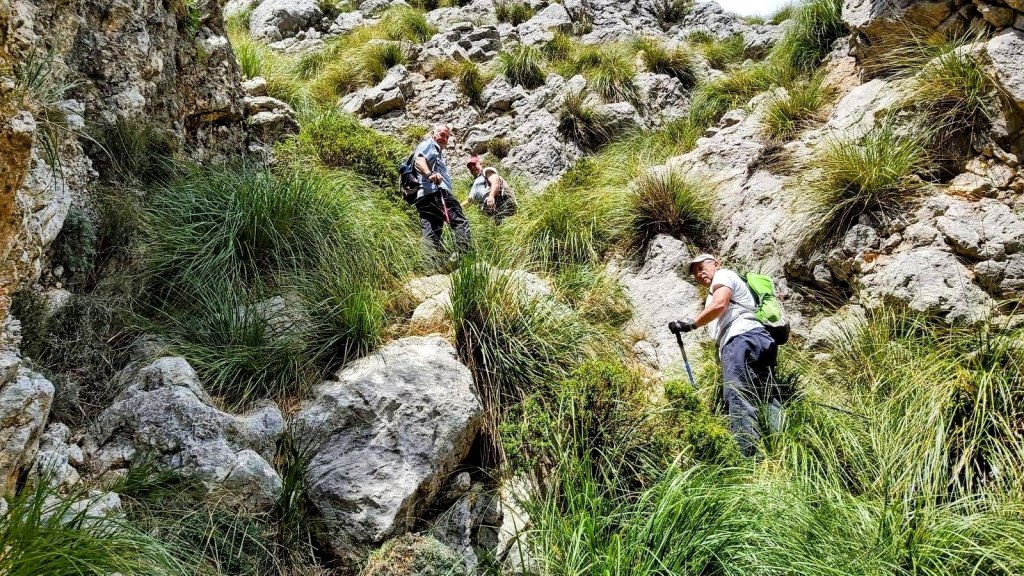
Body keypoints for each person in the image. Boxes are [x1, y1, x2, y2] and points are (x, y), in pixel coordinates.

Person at [669, 254, 780, 458]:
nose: (699, 273)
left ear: (716, 264)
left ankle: (748, 459)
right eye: (694, 272)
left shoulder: (723, 276)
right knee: (766, 395)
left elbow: (720, 305)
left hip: (740, 339)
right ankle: (781, 447)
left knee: (737, 395)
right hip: (757, 338)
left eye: (702, 267)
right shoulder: (726, 283)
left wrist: (690, 324)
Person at [413, 125, 471, 254]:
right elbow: (419, 160)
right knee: (460, 222)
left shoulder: (436, 151)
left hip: (424, 196)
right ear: (433, 134)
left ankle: (428, 267)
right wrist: (429, 174)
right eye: (441, 134)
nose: (444, 138)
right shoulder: (429, 145)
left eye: (447, 136)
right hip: (437, 192)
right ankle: (465, 259)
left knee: (431, 231)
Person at [466, 156, 516, 223]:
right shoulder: (475, 184)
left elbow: (495, 181)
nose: (472, 167)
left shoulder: (486, 171)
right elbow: (469, 201)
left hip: (501, 203)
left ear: (480, 163)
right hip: (492, 212)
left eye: (474, 164)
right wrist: (454, 209)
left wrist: (491, 195)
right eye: (469, 167)